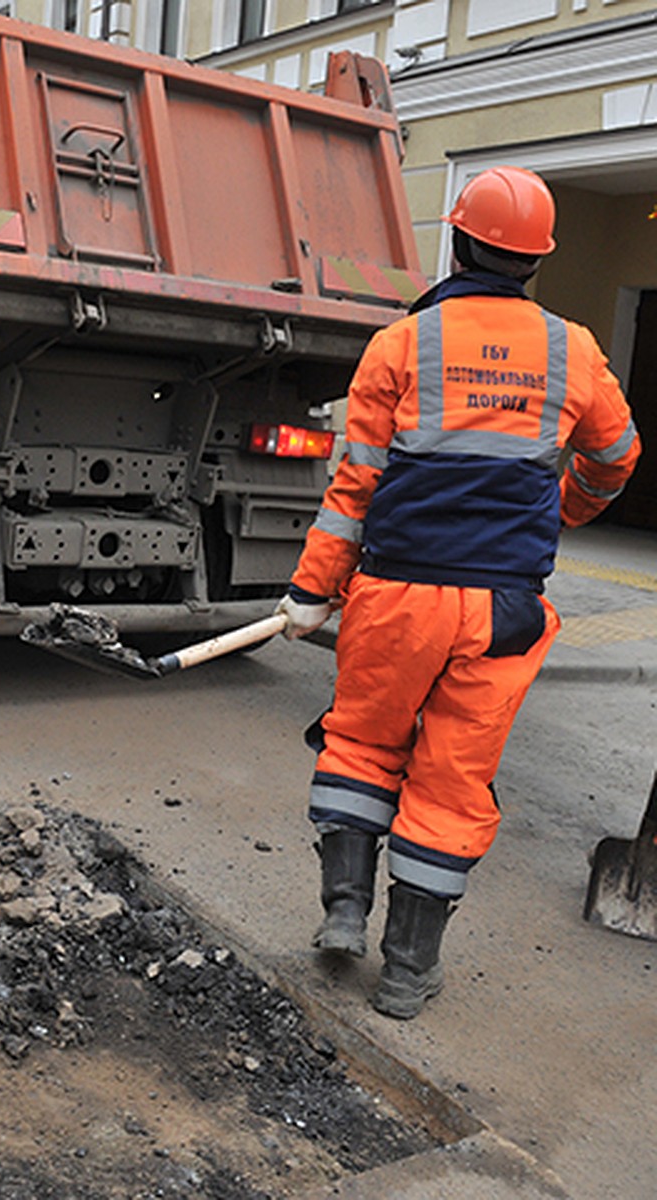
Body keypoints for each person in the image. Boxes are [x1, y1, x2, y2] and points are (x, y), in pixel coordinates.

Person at [275, 166, 641, 1019]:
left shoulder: (403, 344)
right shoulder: (573, 348)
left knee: (363, 745)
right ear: (534, 261)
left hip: (397, 596)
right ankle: (406, 973)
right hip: (504, 611)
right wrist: (566, 508)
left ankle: (343, 910)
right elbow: (619, 456)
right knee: (451, 782)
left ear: (461, 240)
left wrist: (309, 591)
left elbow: (354, 488)